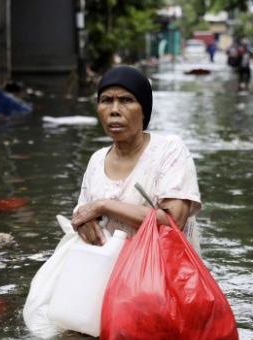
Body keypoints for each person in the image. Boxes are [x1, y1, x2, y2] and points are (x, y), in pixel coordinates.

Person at [70, 66, 202, 253]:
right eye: (106, 100)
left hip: (163, 273)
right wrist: (84, 223)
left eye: (126, 100)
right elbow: (81, 214)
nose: (114, 110)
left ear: (143, 111)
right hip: (112, 273)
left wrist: (103, 205)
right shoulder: (97, 160)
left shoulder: (169, 150)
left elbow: (173, 221)